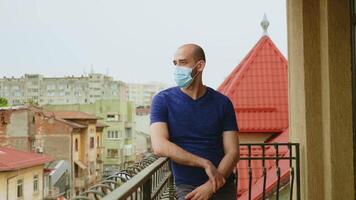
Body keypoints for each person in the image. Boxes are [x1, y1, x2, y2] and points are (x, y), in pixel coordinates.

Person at [150, 43, 240, 200]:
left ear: (200, 66)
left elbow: (233, 151)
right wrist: (204, 163)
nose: (178, 68)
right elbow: (159, 146)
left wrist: (210, 186)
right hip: (187, 188)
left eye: (183, 62)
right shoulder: (162, 100)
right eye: (175, 63)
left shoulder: (222, 103)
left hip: (222, 184)